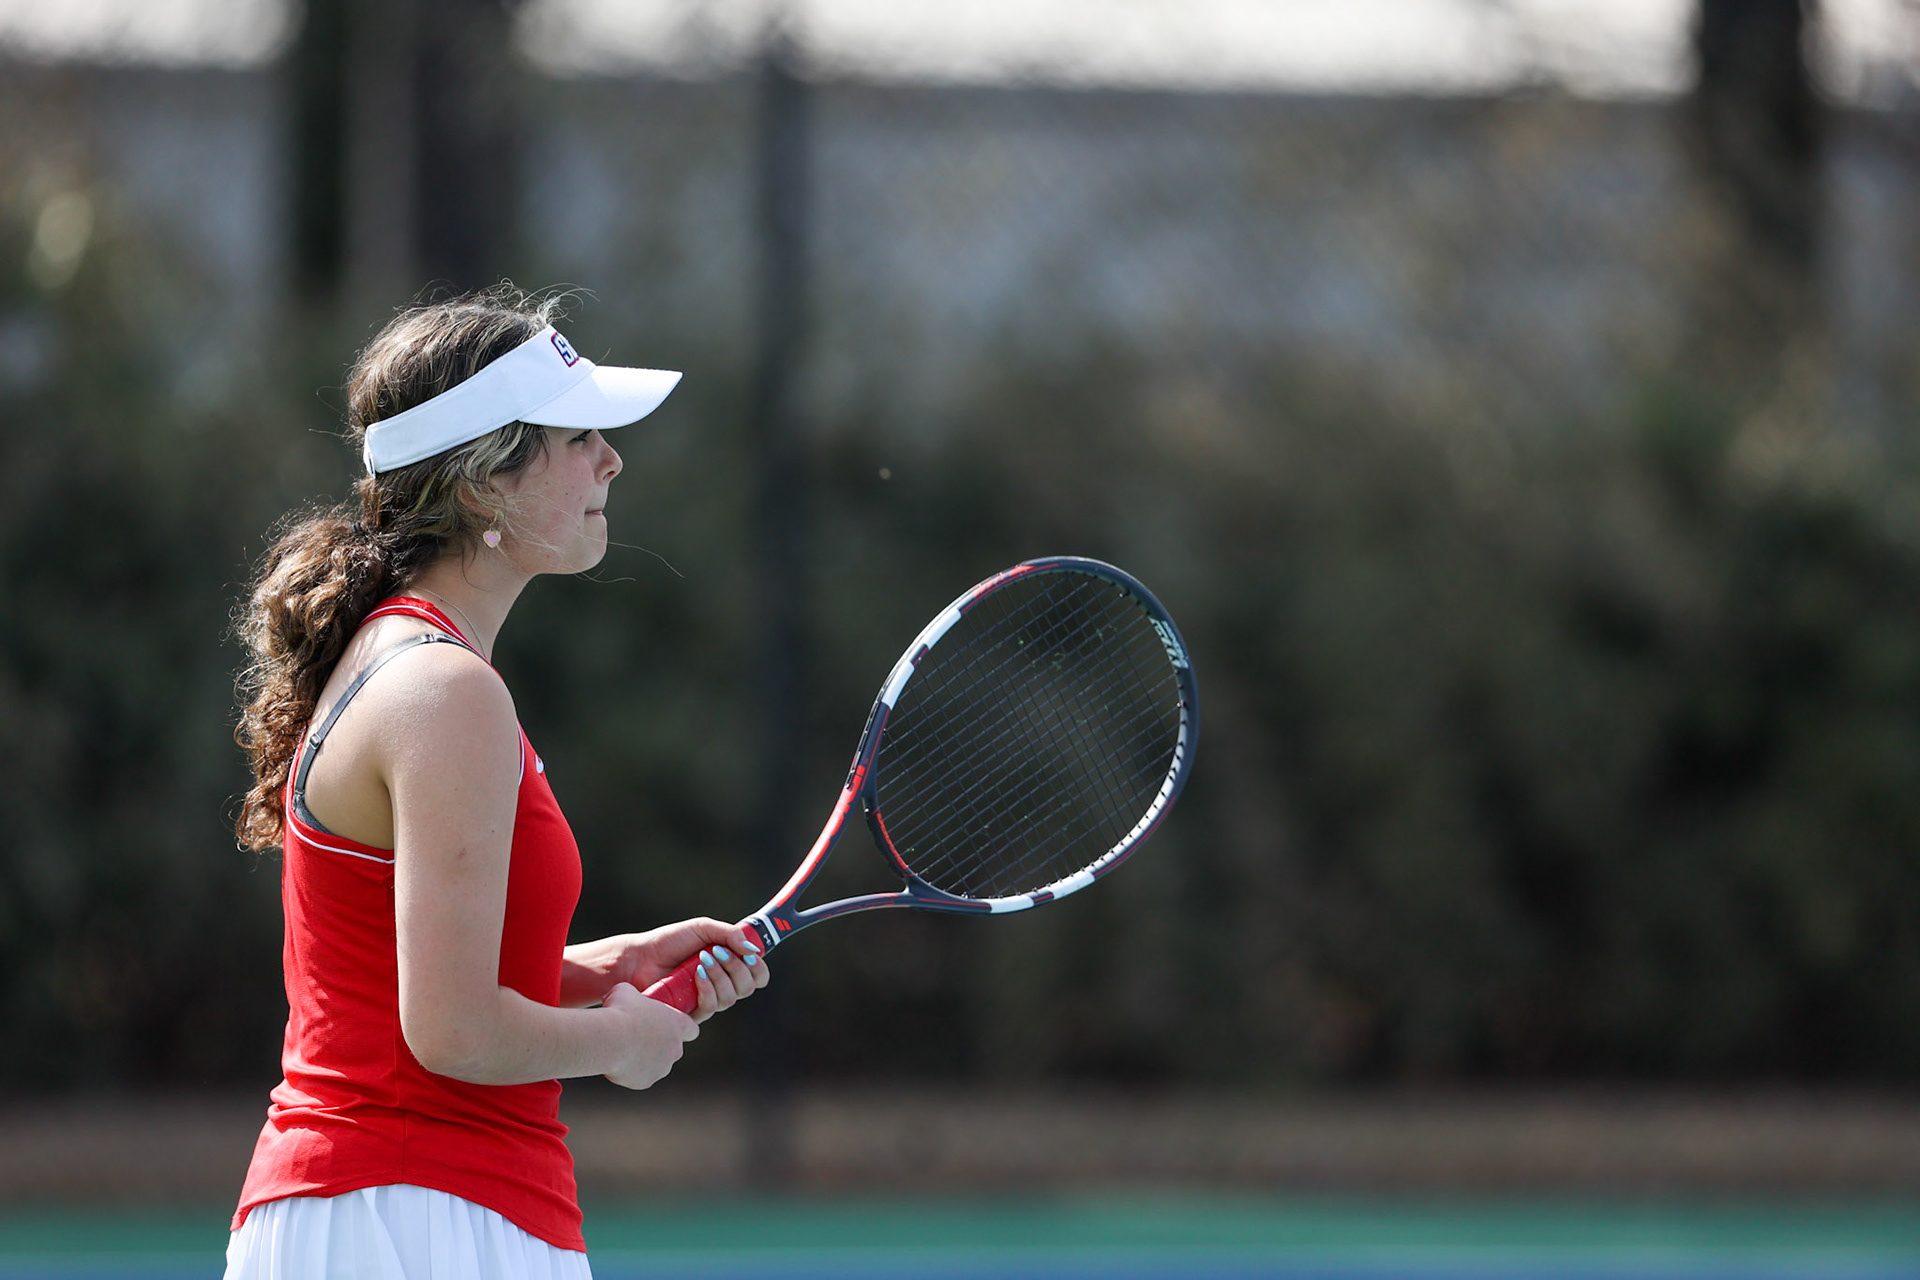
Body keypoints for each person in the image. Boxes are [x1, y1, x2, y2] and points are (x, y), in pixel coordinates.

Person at [226, 286, 768, 1279]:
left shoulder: (411, 662)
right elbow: (452, 1028)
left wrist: (606, 969)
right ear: (485, 484)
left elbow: (418, 982)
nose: (611, 457)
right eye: (576, 437)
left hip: (394, 1212)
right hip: (410, 1215)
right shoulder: (445, 689)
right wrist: (618, 1040)